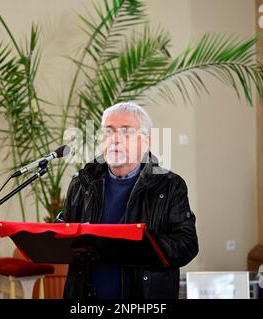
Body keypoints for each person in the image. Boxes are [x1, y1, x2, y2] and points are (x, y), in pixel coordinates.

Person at [61, 101, 198, 299]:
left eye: (126, 132)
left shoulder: (170, 185)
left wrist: (144, 244)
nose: (115, 139)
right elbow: (65, 231)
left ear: (145, 141)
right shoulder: (82, 182)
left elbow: (187, 245)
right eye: (108, 132)